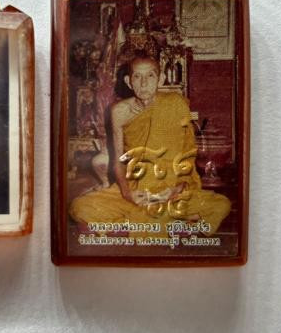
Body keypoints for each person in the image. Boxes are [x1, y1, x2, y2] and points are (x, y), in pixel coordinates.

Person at [69, 56, 230, 235]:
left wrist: (177, 188)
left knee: (221, 204)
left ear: (160, 80)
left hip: (170, 189)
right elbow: (118, 161)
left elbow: (188, 154)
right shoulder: (119, 111)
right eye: (137, 76)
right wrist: (127, 193)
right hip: (136, 187)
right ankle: (164, 219)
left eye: (150, 76)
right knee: (80, 206)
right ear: (129, 82)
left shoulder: (175, 104)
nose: (144, 83)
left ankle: (139, 220)